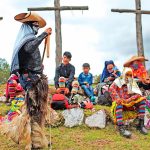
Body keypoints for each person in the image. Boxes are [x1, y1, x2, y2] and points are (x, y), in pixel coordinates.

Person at [8, 12, 52, 149]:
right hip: (30, 79)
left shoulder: (30, 39)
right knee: (33, 111)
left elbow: (31, 57)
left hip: (36, 78)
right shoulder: (26, 41)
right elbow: (30, 48)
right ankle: (32, 142)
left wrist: (39, 67)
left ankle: (37, 139)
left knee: (38, 111)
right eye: (35, 26)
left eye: (38, 27)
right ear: (28, 26)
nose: (37, 28)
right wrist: (44, 34)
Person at [109, 67, 148, 138]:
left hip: (129, 104)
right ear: (123, 74)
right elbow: (111, 89)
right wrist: (119, 99)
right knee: (119, 102)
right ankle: (121, 128)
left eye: (130, 75)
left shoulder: (131, 82)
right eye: (127, 75)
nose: (128, 77)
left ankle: (140, 125)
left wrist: (129, 99)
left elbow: (138, 94)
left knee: (142, 99)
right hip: (120, 104)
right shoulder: (118, 81)